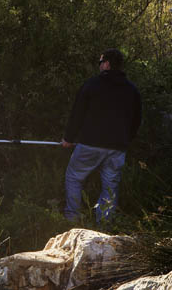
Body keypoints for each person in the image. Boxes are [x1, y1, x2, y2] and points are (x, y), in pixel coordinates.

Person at [61, 48, 142, 223]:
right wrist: (126, 140)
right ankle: (104, 225)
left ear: (106, 64)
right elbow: (136, 120)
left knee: (74, 177)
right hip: (117, 148)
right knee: (110, 187)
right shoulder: (132, 90)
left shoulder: (92, 85)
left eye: (100, 62)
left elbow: (77, 114)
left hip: (90, 144)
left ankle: (72, 218)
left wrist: (68, 138)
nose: (99, 66)